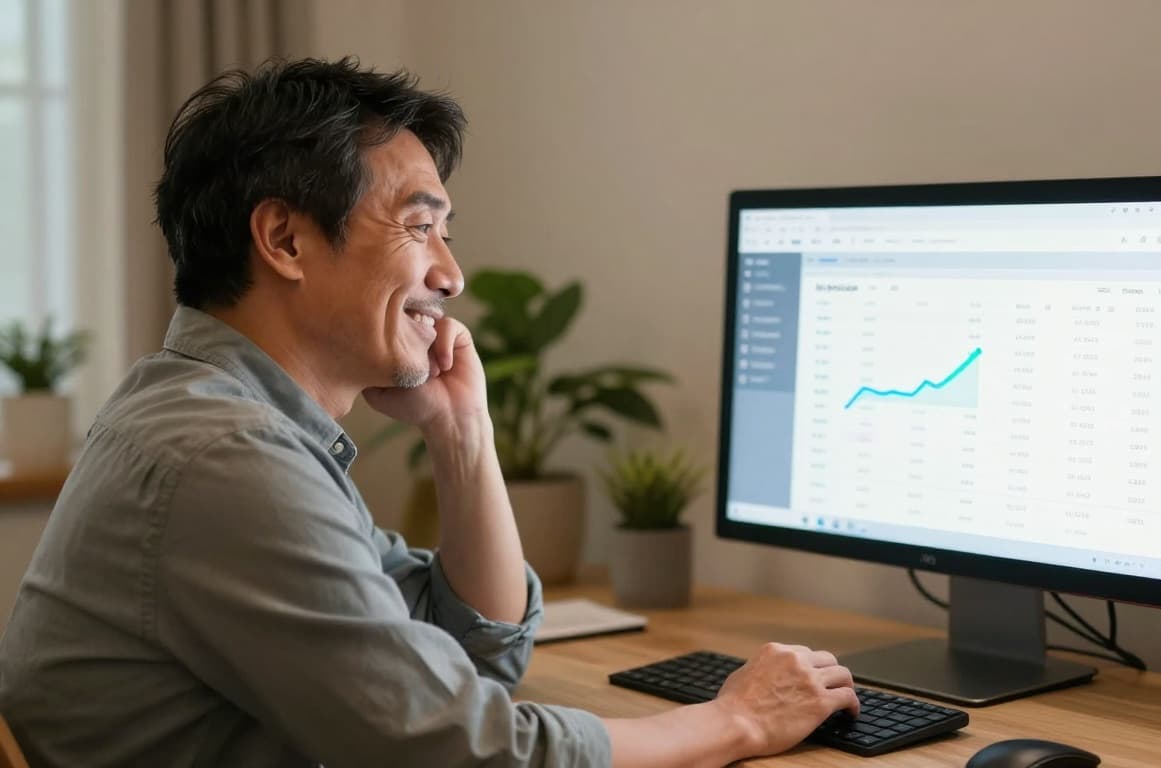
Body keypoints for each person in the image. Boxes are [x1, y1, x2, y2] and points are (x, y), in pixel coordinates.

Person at [0, 57, 859, 767]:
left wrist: (462, 435)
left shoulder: (220, 420)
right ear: (286, 240)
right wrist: (734, 721)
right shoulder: (225, 457)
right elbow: (458, 750)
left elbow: (474, 658)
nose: (451, 274)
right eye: (421, 226)